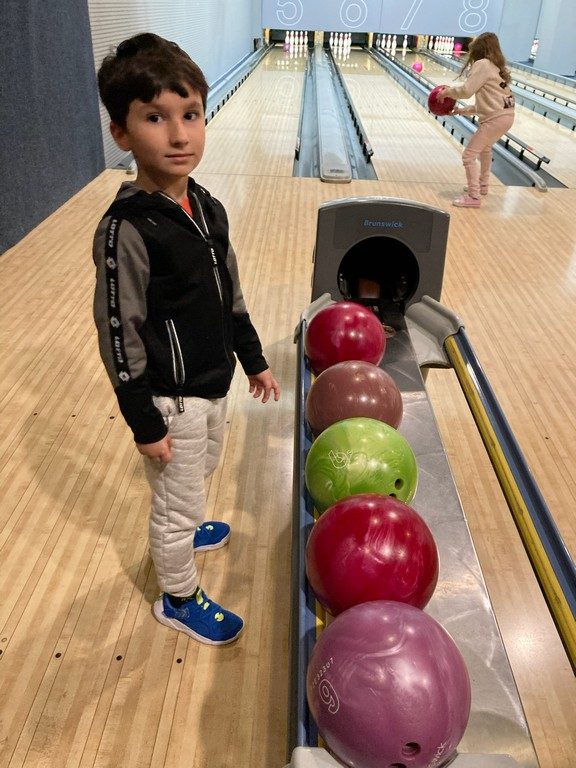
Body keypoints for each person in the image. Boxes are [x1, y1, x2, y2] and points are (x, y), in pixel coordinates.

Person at [93, 33, 280, 645]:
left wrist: (253, 359)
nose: (179, 135)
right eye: (155, 118)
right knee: (175, 506)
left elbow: (231, 292)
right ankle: (177, 597)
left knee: (203, 471)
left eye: (191, 114)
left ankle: (189, 522)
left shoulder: (207, 205)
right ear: (121, 132)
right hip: (170, 398)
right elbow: (117, 332)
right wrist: (143, 422)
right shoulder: (126, 229)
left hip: (212, 382)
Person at [438, 32, 515, 208]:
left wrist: (447, 92)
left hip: (495, 119)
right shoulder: (495, 68)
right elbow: (487, 104)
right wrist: (461, 110)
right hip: (507, 116)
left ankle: (474, 197)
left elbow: (466, 91)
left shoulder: (482, 64)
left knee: (468, 156)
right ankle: (482, 186)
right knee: (485, 149)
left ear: (477, 48)